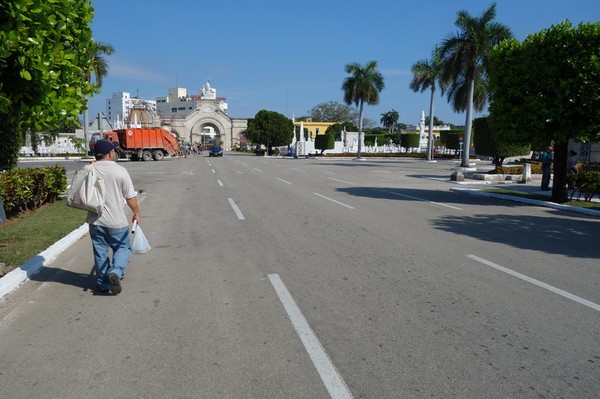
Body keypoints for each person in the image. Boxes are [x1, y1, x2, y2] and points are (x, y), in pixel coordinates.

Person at [87, 139, 141, 294]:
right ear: (110, 153)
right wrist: (136, 213)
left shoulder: (89, 169)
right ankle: (116, 272)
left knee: (100, 251)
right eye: (113, 150)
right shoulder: (120, 171)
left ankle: (103, 284)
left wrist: (92, 165)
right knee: (122, 247)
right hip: (117, 222)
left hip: (95, 221)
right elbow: (130, 197)